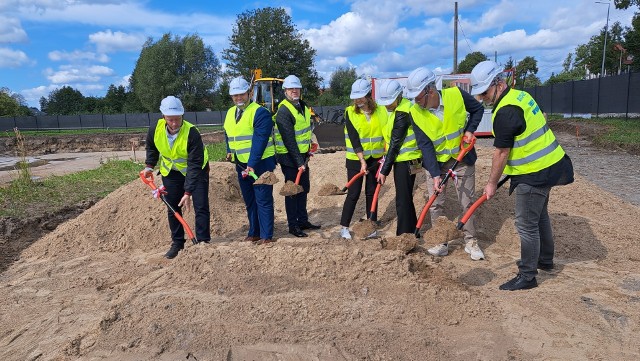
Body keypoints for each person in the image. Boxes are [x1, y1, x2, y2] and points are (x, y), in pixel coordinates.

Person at [470, 60, 574, 290]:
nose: (481, 98)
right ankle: (545, 261)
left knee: (526, 224)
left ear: (498, 83)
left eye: (484, 92)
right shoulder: (521, 96)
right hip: (550, 165)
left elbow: (501, 152)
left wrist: (491, 183)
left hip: (534, 173)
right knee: (540, 217)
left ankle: (527, 275)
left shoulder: (506, 111)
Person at [406, 67, 485, 260]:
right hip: (437, 164)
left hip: (462, 159)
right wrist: (434, 175)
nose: (415, 101)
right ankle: (440, 242)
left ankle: (471, 241)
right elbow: (425, 145)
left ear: (429, 91)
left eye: (417, 97)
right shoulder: (415, 112)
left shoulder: (456, 95)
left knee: (466, 201)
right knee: (435, 204)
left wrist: (469, 130)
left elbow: (478, 109)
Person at [143, 96, 210, 259]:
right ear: (163, 117)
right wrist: (149, 166)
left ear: (182, 116)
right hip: (171, 173)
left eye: (177, 119)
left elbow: (194, 164)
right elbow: (152, 147)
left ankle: (203, 242)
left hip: (196, 171)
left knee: (200, 206)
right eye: (170, 120)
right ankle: (177, 243)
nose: (174, 123)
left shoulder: (192, 132)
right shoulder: (155, 129)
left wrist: (188, 192)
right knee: (173, 208)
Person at [224, 76, 277, 245]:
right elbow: (228, 132)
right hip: (242, 164)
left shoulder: (260, 112)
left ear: (249, 93)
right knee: (249, 200)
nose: (238, 98)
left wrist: (252, 165)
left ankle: (266, 235)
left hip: (260, 164)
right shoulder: (231, 112)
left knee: (263, 199)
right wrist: (229, 150)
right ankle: (254, 231)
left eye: (241, 94)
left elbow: (260, 140)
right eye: (235, 95)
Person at [339, 78, 388, 240]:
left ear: (369, 95)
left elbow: (387, 133)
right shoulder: (350, 112)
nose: (357, 101)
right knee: (353, 193)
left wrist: (385, 156)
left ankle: (371, 226)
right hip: (355, 159)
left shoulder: (381, 111)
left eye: (360, 97)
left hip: (376, 159)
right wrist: (362, 161)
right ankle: (344, 227)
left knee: (371, 193)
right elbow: (354, 139)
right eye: (355, 98)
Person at [274, 75, 320, 237]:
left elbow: (305, 131)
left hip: (302, 155)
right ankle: (293, 225)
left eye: (297, 88)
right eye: (291, 89)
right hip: (289, 157)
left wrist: (310, 146)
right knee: (292, 191)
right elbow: (289, 140)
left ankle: (303, 220)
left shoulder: (303, 106)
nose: (294, 91)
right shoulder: (284, 111)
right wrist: (299, 162)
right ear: (285, 91)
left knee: (303, 188)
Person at [375, 79, 422, 236]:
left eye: (390, 101)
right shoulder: (401, 108)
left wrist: (384, 170)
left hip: (406, 160)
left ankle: (403, 235)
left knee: (402, 200)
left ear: (399, 96)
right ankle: (413, 231)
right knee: (406, 196)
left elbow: (395, 144)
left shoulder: (402, 113)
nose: (387, 105)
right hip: (410, 159)